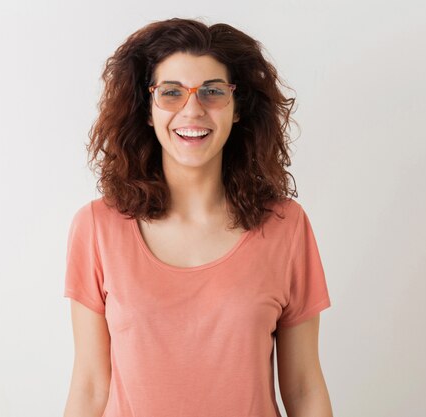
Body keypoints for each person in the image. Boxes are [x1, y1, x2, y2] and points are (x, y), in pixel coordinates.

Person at [63, 17, 333, 417]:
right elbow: (89, 386)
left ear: (237, 107)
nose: (192, 110)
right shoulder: (96, 228)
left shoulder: (285, 226)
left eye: (212, 92)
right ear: (148, 110)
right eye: (171, 93)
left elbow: (303, 387)